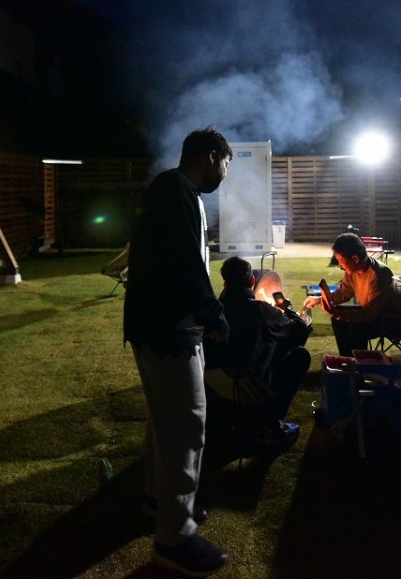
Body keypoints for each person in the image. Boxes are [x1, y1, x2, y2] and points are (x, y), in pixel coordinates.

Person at [123, 126, 233, 576]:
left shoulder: (169, 188)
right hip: (172, 329)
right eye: (226, 164)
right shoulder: (181, 191)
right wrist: (215, 315)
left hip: (155, 325)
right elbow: (189, 264)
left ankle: (157, 499)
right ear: (211, 156)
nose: (224, 174)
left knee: (163, 419)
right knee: (186, 424)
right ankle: (175, 536)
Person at [204, 257, 311, 446]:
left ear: (224, 283)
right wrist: (287, 309)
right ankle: (270, 423)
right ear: (252, 282)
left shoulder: (214, 310)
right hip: (245, 384)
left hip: (213, 383)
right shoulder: (261, 310)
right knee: (300, 355)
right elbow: (299, 331)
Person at [303, 233, 401, 356]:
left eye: (340, 260)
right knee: (339, 320)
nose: (340, 266)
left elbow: (368, 316)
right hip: (376, 314)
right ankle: (348, 360)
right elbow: (343, 293)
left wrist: (336, 312)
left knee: (354, 328)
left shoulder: (379, 275)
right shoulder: (353, 271)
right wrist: (319, 299)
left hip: (397, 320)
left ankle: (358, 365)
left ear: (355, 258)